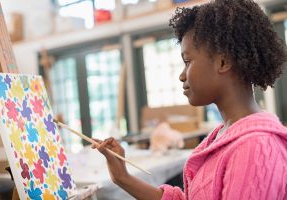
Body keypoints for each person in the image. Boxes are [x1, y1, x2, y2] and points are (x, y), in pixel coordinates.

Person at [92, 0, 287, 199]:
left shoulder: (254, 147)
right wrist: (122, 177)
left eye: (188, 61)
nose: (182, 75)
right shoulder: (223, 135)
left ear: (223, 61)